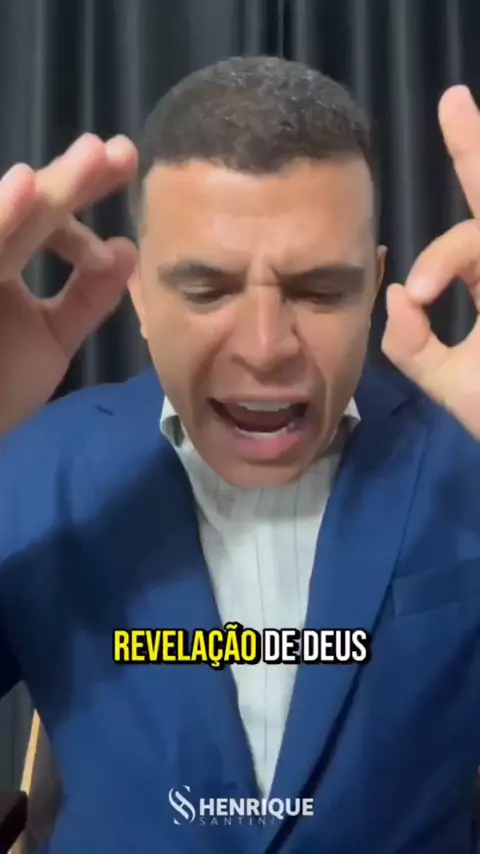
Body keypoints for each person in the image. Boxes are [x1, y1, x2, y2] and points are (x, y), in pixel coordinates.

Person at [1, 55, 480, 854]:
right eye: (207, 289)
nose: (265, 348)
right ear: (140, 293)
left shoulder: (465, 455)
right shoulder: (38, 465)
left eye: (320, 290)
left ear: (374, 287)